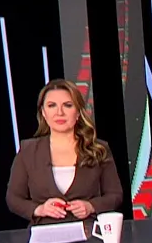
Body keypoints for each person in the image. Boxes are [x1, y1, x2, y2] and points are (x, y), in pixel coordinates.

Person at [7, 79, 124, 225]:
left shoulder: (98, 148)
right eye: (52, 106)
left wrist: (91, 206)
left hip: (88, 234)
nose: (59, 112)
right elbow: (13, 199)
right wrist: (39, 209)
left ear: (78, 112)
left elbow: (115, 195)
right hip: (44, 233)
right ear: (43, 112)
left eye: (68, 105)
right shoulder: (28, 150)